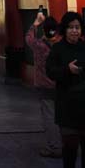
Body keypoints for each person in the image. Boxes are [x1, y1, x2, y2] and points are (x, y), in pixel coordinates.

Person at [45, 11, 85, 168]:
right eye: (70, 27)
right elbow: (50, 71)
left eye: (77, 27)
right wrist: (67, 70)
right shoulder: (57, 49)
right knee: (70, 147)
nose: (74, 31)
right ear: (64, 29)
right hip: (67, 102)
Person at [26, 11, 62, 159]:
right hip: (62, 85)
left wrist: (36, 23)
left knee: (49, 118)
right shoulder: (62, 45)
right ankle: (68, 144)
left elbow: (28, 38)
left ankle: (55, 147)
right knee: (64, 117)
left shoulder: (39, 45)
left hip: (44, 86)